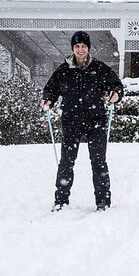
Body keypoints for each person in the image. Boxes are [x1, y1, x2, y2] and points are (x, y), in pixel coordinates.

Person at [41, 31, 124, 211]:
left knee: (98, 161)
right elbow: (51, 89)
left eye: (83, 46)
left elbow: (116, 85)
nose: (80, 50)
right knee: (66, 161)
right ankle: (61, 200)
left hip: (96, 120)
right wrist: (48, 98)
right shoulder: (63, 70)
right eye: (77, 46)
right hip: (71, 121)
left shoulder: (98, 68)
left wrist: (116, 94)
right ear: (72, 48)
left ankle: (103, 201)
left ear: (88, 48)